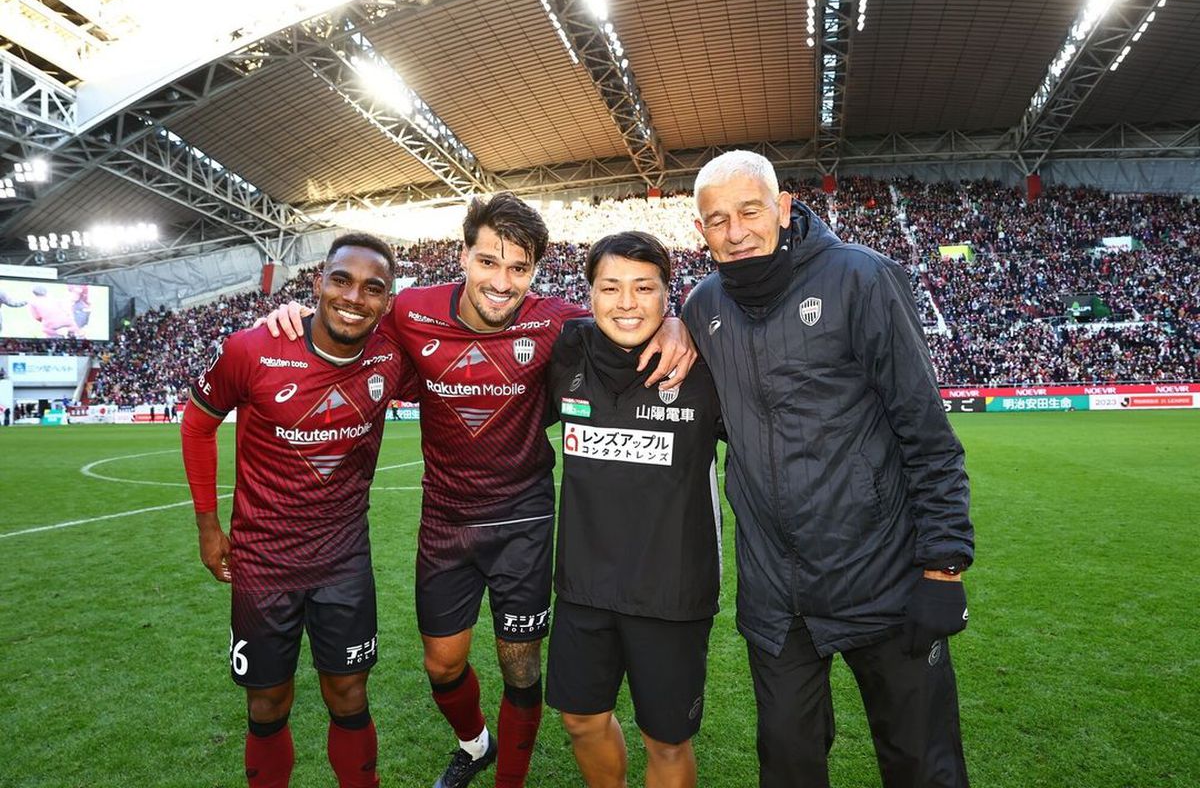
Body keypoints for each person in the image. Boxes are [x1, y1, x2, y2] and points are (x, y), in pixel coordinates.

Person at [265, 192, 696, 788]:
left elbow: (627, 312)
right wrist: (291, 313)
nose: (501, 281)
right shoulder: (409, 312)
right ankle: (474, 743)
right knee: (442, 664)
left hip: (522, 519)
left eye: (518, 268)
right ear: (463, 256)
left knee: (520, 666)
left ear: (536, 273)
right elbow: (346, 319)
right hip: (444, 520)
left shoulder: (557, 322)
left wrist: (679, 319)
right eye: (488, 261)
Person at [681, 151, 974, 788]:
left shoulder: (861, 278)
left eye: (749, 211)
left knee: (922, 765)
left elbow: (928, 434)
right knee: (787, 766)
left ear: (783, 208)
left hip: (884, 578)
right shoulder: (702, 306)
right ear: (700, 230)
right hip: (776, 598)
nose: (735, 232)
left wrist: (943, 566)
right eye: (716, 220)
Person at [181, 232, 416, 788]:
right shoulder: (251, 349)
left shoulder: (392, 354)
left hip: (343, 560)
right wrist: (207, 525)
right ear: (318, 284)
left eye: (372, 288)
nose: (354, 297)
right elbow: (197, 425)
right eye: (341, 280)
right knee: (266, 703)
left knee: (350, 691)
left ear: (387, 301)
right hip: (263, 562)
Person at [545, 231, 723, 787]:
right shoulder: (568, 349)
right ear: (590, 294)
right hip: (583, 585)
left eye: (644, 288)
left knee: (666, 740)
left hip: (671, 589)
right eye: (610, 287)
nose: (626, 303)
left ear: (669, 294)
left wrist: (686, 325)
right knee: (580, 718)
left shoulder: (706, 364)